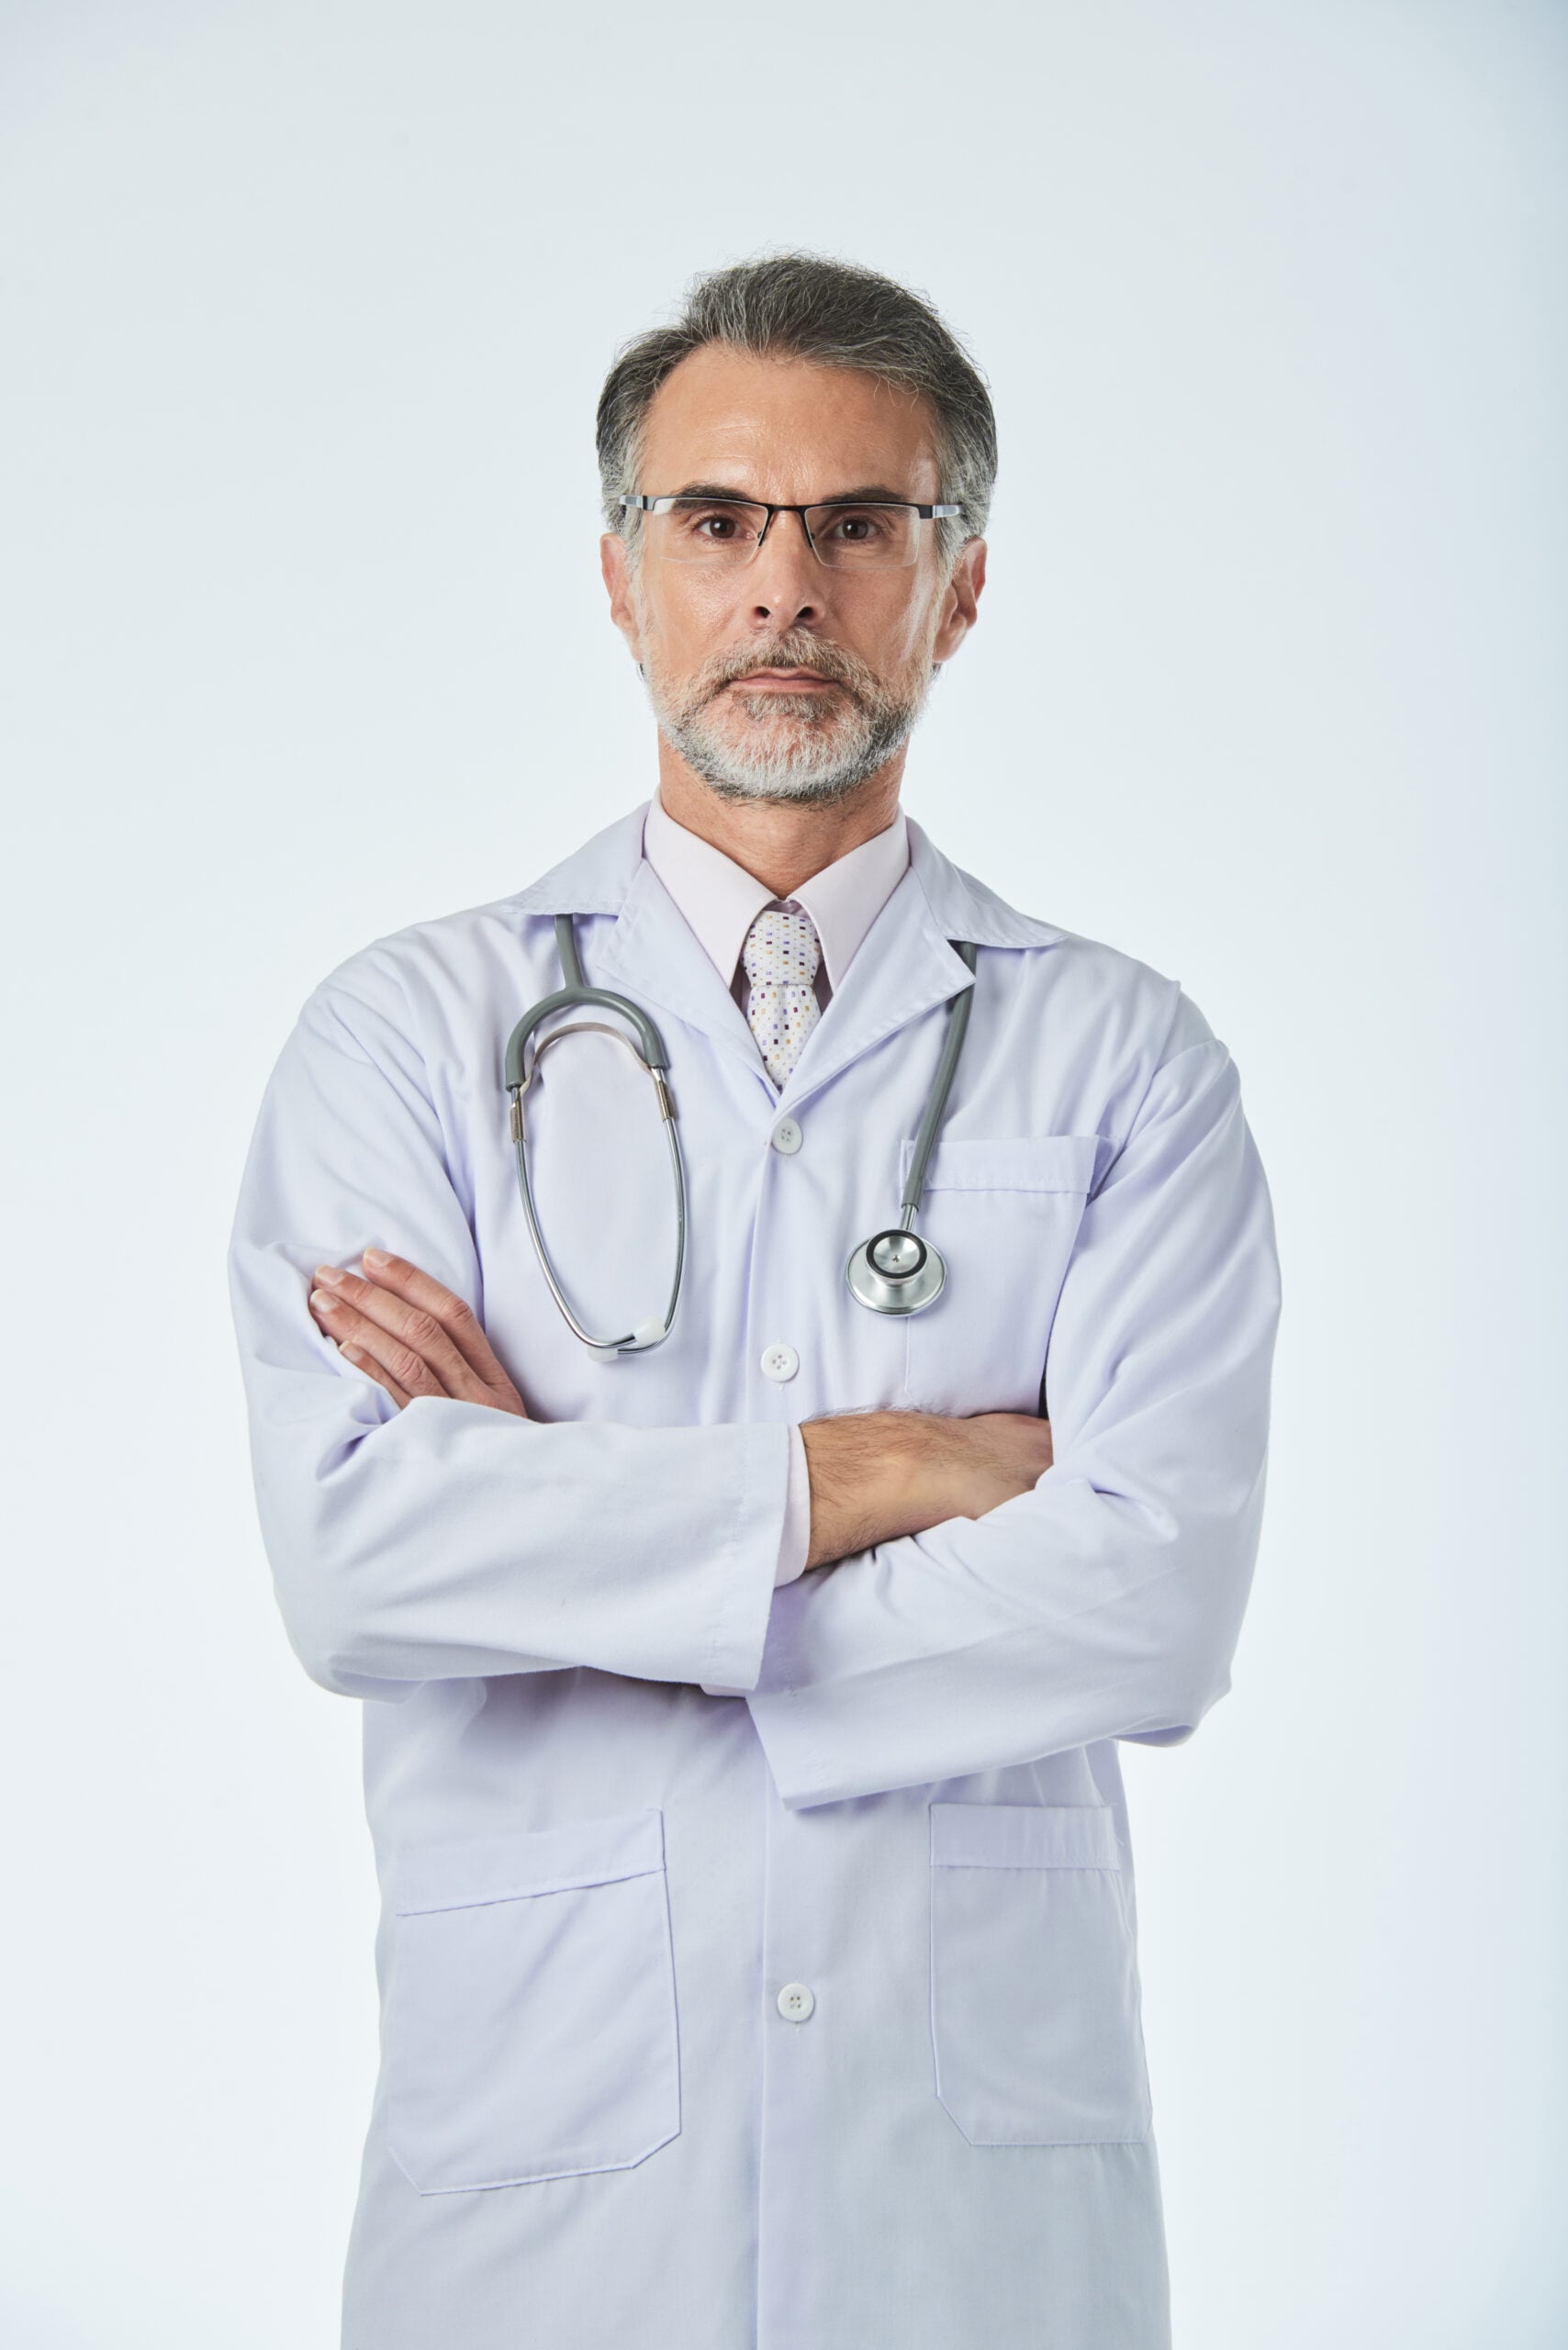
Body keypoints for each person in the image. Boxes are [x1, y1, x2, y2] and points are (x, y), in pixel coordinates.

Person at [228, 252, 1281, 2350]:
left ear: (954, 587)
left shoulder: (1123, 1059)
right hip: (545, 2178)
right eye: (716, 520)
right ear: (622, 580)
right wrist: (890, 1468)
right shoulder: (409, 1035)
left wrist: (574, 1534)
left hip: (971, 2193)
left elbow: (1152, 1597)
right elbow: (354, 1563)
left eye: (854, 524)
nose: (781, 586)